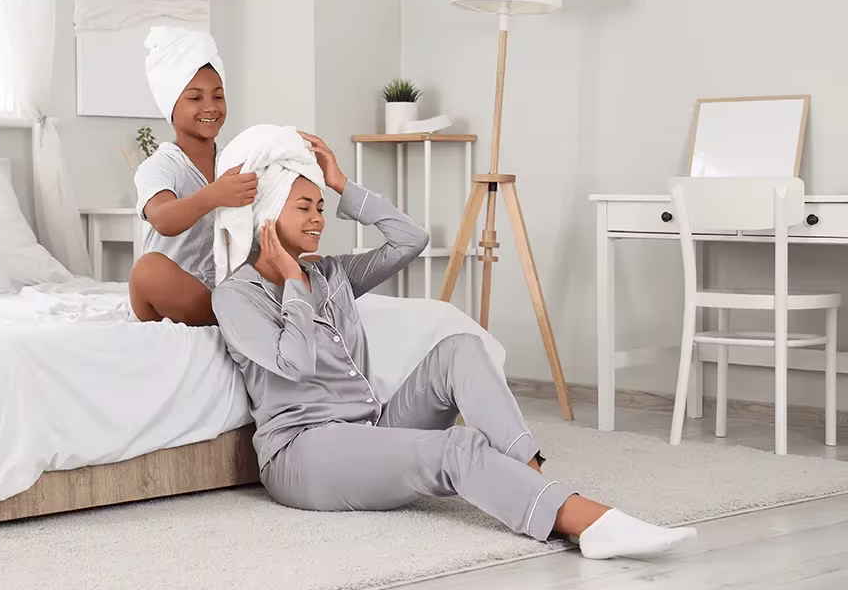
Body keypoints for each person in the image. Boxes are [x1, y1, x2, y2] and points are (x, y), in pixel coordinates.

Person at [212, 134, 698, 560]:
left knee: (461, 347)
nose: (319, 218)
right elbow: (294, 363)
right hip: (304, 454)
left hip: (372, 427)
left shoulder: (331, 274)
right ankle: (588, 523)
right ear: (268, 215)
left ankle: (532, 477)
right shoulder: (235, 295)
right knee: (455, 448)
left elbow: (410, 239)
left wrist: (342, 184)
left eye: (320, 207)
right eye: (305, 207)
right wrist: (294, 282)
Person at [129, 27, 258, 326]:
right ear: (172, 106)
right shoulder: (159, 166)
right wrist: (214, 195)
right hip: (175, 294)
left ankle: (246, 310)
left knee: (308, 268)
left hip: (225, 289)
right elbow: (163, 219)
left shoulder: (236, 159)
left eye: (218, 96)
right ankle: (245, 316)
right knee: (147, 270)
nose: (210, 107)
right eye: (195, 98)